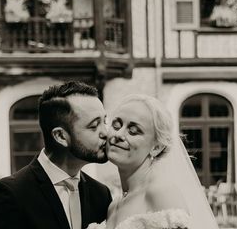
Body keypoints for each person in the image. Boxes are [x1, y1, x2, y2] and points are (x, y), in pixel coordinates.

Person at [0, 81, 112, 229]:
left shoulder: (101, 195)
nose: (105, 133)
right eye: (94, 126)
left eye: (104, 122)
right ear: (60, 136)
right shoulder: (11, 194)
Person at [88, 94, 218, 229]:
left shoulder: (161, 192)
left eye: (133, 131)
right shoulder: (113, 206)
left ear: (156, 147)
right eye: (116, 126)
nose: (119, 135)